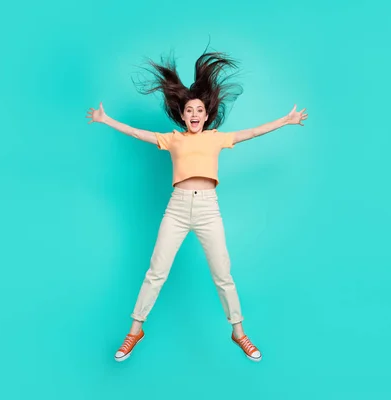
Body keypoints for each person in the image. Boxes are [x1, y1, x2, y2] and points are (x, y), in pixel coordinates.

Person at [86, 50, 308, 362]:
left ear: (206, 115)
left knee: (223, 274)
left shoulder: (217, 138)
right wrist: (105, 119)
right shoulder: (172, 139)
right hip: (176, 209)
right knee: (156, 272)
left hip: (207, 209)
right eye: (189, 109)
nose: (193, 114)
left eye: (199, 110)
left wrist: (286, 120)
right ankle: (135, 329)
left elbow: (253, 132)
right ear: (182, 115)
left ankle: (239, 332)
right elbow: (139, 133)